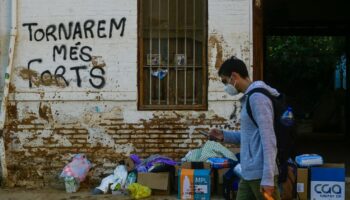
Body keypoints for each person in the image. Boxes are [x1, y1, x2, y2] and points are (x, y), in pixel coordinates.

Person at [209, 57, 281, 200]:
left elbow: (269, 139)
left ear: (234, 76)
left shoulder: (258, 98)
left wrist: (268, 178)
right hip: (248, 173)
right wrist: (224, 136)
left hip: (260, 175)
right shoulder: (249, 98)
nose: (226, 86)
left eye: (225, 81)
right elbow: (250, 136)